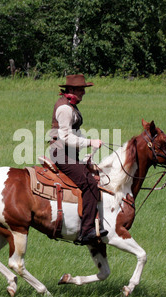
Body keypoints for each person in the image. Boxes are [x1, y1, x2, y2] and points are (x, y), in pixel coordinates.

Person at [49, 74, 107, 245]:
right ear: (72, 90)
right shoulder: (65, 109)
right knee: (89, 183)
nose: (84, 93)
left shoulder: (70, 106)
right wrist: (90, 142)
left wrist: (87, 153)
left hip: (68, 153)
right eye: (81, 89)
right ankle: (87, 230)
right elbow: (66, 137)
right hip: (61, 154)